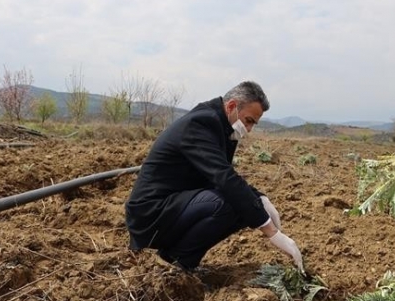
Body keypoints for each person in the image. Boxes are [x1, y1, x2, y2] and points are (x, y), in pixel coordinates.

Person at [125, 80, 304, 272]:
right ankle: (179, 262)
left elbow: (224, 174)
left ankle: (178, 258)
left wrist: (261, 198)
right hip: (151, 214)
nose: (249, 129)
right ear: (232, 106)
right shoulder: (200, 124)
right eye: (249, 120)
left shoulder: (223, 126)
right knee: (231, 203)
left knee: (246, 205)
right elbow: (224, 178)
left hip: (174, 206)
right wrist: (272, 232)